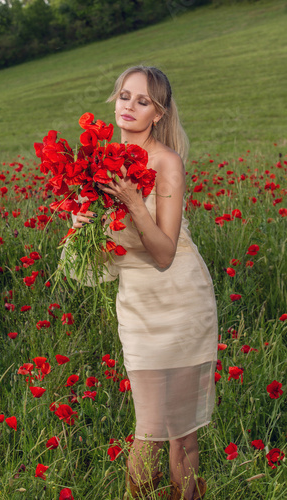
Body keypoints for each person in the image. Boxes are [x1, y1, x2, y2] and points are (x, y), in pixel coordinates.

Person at [70, 65, 218, 500]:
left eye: (143, 101)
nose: (129, 106)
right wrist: (83, 225)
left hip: (181, 301)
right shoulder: (96, 165)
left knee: (180, 434)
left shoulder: (166, 162)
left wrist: (134, 201)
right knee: (148, 430)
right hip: (137, 305)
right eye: (124, 96)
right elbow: (104, 255)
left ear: (159, 114)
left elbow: (165, 253)